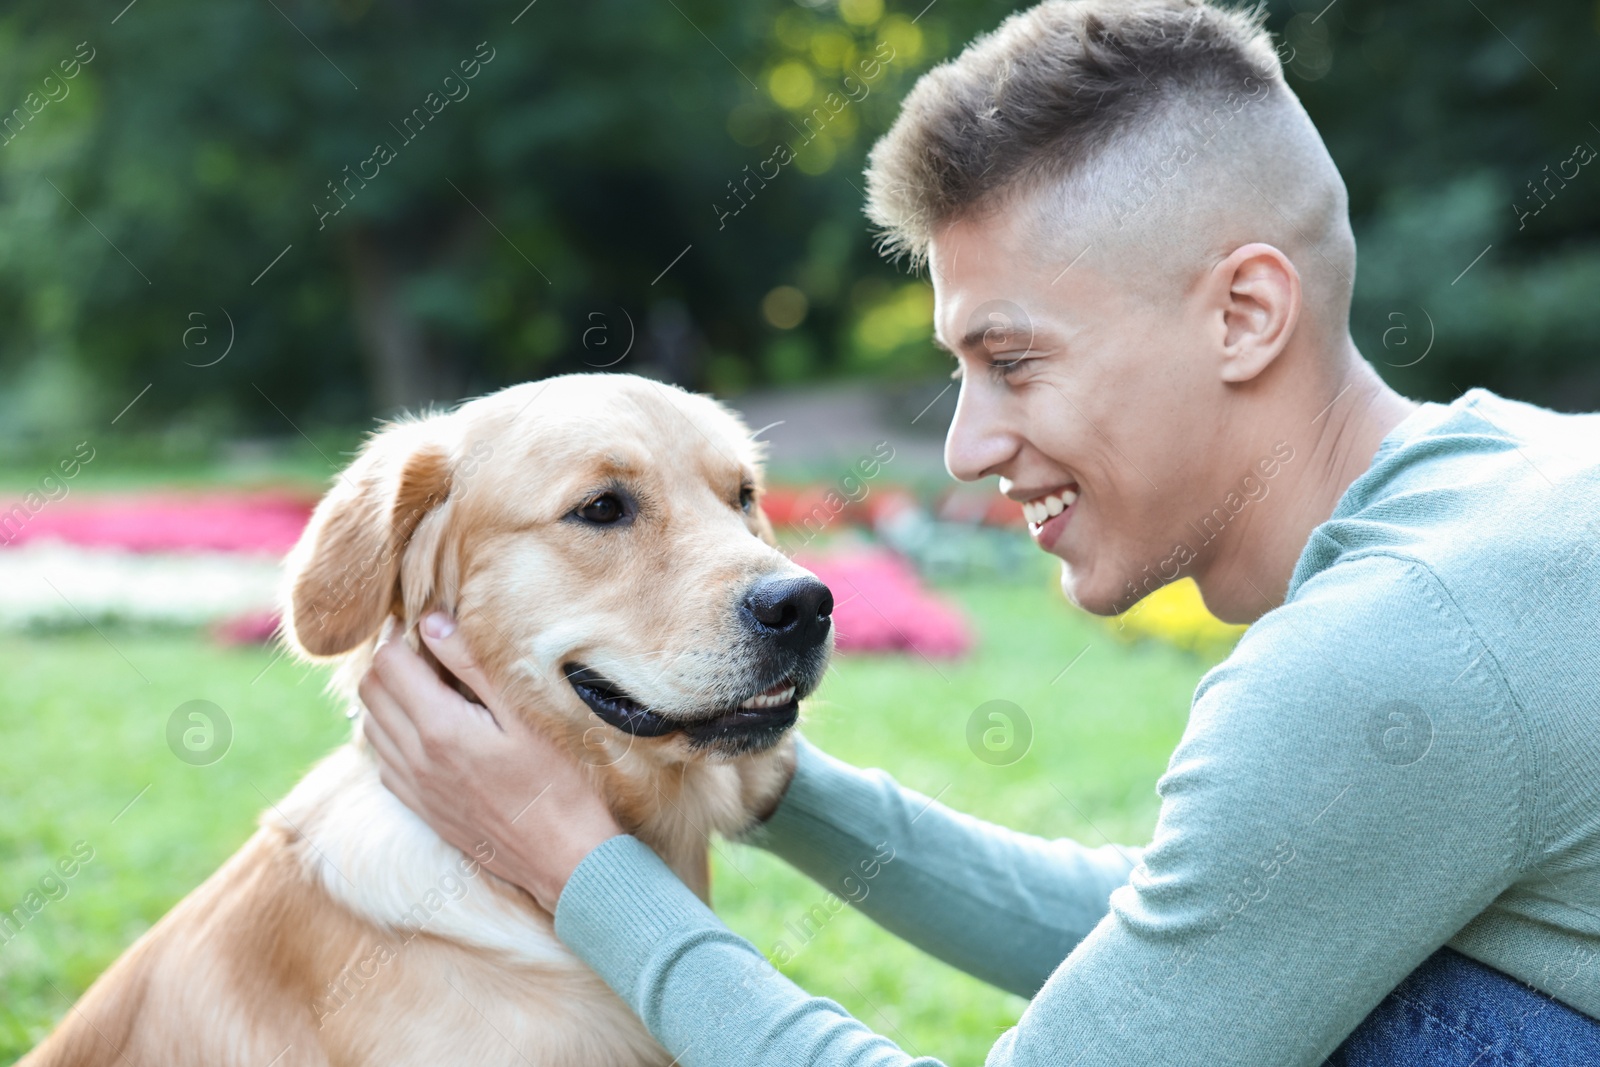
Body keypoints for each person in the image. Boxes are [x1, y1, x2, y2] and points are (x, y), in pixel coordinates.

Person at [356, 1, 1600, 1062]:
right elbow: (1207, 932)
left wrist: (575, 865)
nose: (966, 445)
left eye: (1012, 361)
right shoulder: (1523, 479)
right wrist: (773, 785)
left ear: (1243, 315)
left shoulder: (1395, 648)